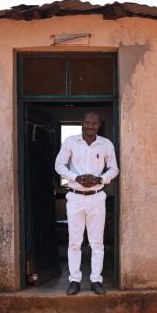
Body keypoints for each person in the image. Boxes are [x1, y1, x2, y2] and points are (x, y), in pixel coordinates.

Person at [54, 110, 119, 295]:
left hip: (97, 197)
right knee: (74, 242)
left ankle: (96, 281)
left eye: (94, 123)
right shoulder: (70, 142)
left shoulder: (106, 144)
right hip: (75, 197)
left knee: (96, 242)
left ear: (98, 125)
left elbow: (114, 169)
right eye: (87, 123)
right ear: (82, 123)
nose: (90, 126)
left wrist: (100, 180)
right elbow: (59, 165)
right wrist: (76, 177)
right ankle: (74, 280)